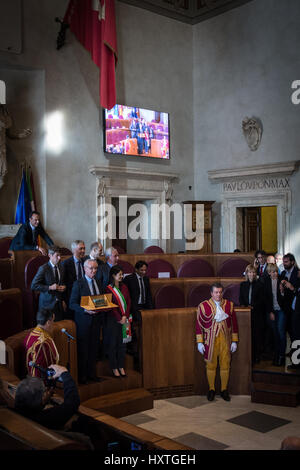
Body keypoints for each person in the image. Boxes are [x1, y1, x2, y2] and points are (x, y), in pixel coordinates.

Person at [196, 283, 238, 402]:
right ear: (211, 293)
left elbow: (234, 324)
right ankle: (211, 389)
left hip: (225, 340)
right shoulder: (203, 306)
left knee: (225, 365)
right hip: (210, 340)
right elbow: (199, 325)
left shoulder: (229, 305)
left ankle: (224, 390)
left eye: (220, 292)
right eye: (216, 292)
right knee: (210, 365)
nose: (218, 295)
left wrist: (234, 341)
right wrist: (200, 342)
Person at [69, 258, 104, 384]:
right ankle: (83, 377)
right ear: (84, 269)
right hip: (83, 321)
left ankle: (92, 375)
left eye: (95, 268)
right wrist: (85, 310)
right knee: (84, 349)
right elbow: (72, 304)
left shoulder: (99, 282)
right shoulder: (78, 284)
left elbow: (100, 300)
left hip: (96, 320)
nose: (94, 271)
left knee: (94, 348)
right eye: (91, 268)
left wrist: (104, 305)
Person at [14, 364, 80, 431]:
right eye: (45, 391)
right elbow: (72, 403)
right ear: (42, 398)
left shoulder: (17, 412)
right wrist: (64, 372)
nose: (48, 391)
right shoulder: (45, 418)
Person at [123, 260, 153, 369]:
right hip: (133, 309)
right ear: (136, 269)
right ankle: (133, 351)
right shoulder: (129, 279)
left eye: (145, 270)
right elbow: (127, 297)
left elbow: (148, 295)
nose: (144, 272)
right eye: (141, 270)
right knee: (134, 332)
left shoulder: (146, 279)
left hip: (144, 307)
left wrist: (151, 309)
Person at [106, 265, 131, 378]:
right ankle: (114, 367)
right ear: (113, 276)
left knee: (122, 345)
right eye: (119, 274)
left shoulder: (124, 287)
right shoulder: (108, 288)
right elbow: (112, 306)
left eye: (122, 274)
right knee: (113, 344)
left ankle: (121, 366)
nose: (121, 276)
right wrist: (119, 318)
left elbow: (129, 302)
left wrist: (125, 316)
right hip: (114, 320)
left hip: (125, 319)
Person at [31, 245, 67, 321]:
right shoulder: (44, 268)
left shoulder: (61, 267)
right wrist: (49, 287)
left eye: (60, 255)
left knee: (58, 328)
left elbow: (61, 282)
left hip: (59, 304)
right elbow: (33, 285)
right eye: (57, 256)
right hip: (47, 305)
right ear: (50, 255)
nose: (59, 258)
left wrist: (63, 287)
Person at [239, 264, 264, 364]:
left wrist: (253, 306)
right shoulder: (243, 285)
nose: (251, 274)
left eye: (253, 272)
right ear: (247, 273)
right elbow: (241, 298)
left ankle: (256, 356)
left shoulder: (260, 285)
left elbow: (262, 300)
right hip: (246, 313)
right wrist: (244, 306)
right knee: (246, 335)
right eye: (250, 272)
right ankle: (247, 356)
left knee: (256, 335)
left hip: (256, 313)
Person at [24, 308, 59, 378]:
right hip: (39, 384)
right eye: (53, 321)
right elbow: (43, 368)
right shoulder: (43, 342)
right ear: (48, 322)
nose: (54, 324)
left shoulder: (30, 335)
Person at [264, 264, 286, 366]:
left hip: (281, 310)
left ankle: (282, 356)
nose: (274, 274)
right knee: (275, 334)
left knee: (281, 332)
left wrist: (282, 292)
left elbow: (286, 298)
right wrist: (270, 312)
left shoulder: (282, 280)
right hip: (272, 310)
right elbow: (266, 299)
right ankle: (276, 355)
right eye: (272, 272)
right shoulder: (266, 282)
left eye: (276, 271)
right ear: (269, 273)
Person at [62, 240, 86, 315]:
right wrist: (63, 300)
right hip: (71, 298)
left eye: (84, 248)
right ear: (73, 250)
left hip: (84, 297)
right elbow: (62, 282)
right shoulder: (65, 264)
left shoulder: (86, 262)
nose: (83, 251)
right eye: (80, 249)